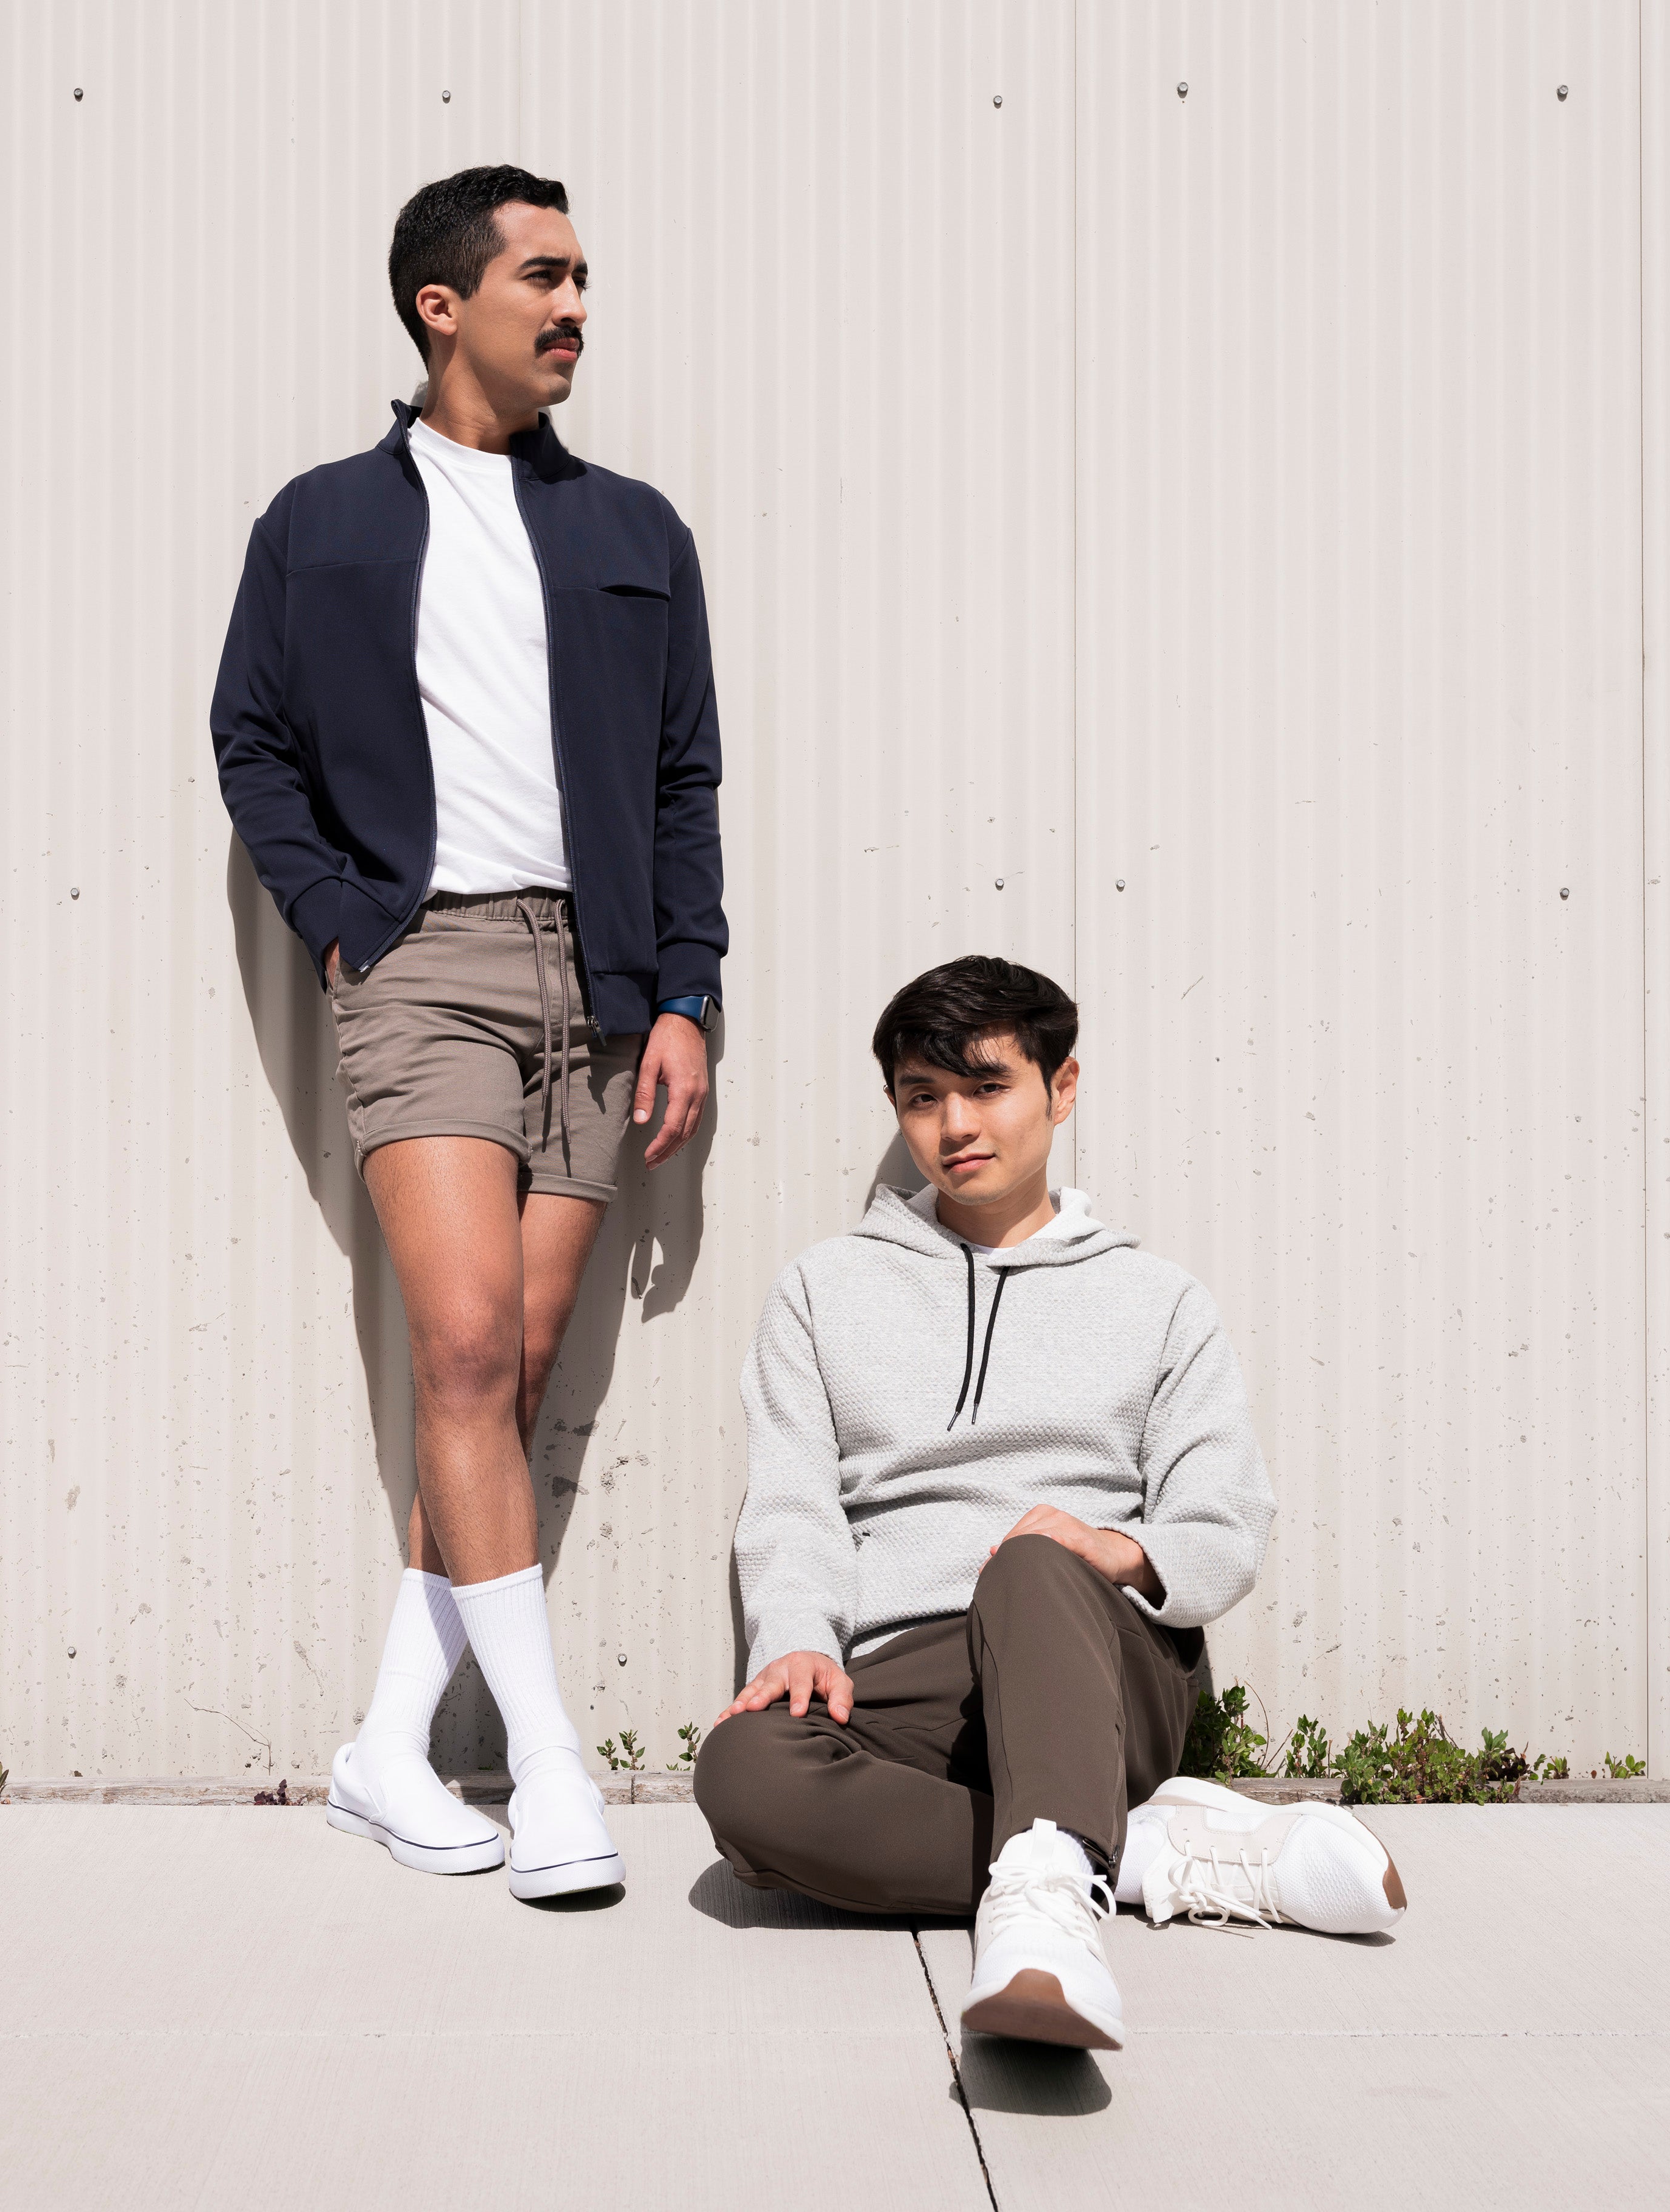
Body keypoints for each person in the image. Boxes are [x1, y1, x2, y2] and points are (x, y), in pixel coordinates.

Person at [212, 166, 725, 1900]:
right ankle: (551, 1772)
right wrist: (346, 925)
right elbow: (253, 744)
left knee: (504, 1371)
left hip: (601, 988)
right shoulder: (323, 522)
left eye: (585, 278)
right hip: (422, 965)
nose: (577, 305)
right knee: (454, 1352)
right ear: (444, 306)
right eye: (543, 277)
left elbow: (680, 781)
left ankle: (380, 1752)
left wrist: (684, 996)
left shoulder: (635, 531)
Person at [694, 956, 1405, 2051]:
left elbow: (1226, 1521)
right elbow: (792, 1503)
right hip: (915, 1684)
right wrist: (795, 1639)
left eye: (986, 1087)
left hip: (1101, 1661)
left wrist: (1107, 1551)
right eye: (922, 1098)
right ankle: (1137, 1856)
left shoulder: (1158, 1301)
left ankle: (1046, 1930)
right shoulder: (823, 1290)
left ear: (1060, 1089)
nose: (954, 1124)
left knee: (1027, 1561)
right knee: (742, 1776)